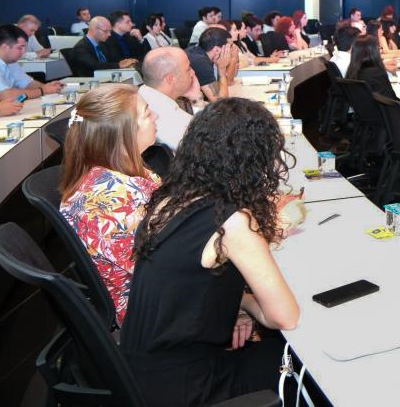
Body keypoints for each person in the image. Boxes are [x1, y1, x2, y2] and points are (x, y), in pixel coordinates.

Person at [122, 98, 300, 407]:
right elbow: (285, 316)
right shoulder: (231, 223)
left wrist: (237, 305)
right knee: (294, 358)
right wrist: (250, 304)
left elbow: (188, 289)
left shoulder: (168, 200)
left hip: (139, 374)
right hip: (187, 388)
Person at [57, 83, 160, 325]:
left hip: (160, 286)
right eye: (147, 113)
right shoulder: (108, 203)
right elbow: (164, 267)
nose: (156, 116)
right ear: (122, 133)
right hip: (149, 311)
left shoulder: (125, 171)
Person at [139, 47, 200, 151]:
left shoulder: (144, 96)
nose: (193, 73)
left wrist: (195, 98)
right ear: (171, 79)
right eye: (188, 69)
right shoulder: (161, 117)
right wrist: (197, 100)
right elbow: (207, 144)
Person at [0, 25, 65, 100]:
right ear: (5, 47)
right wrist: (42, 91)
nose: (23, 52)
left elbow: (26, 83)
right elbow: (4, 96)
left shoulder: (10, 60)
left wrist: (49, 87)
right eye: (20, 48)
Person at [68, 16, 140, 77]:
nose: (109, 34)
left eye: (110, 31)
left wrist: (124, 62)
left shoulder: (102, 44)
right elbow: (96, 66)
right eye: (106, 31)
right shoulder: (81, 48)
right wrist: (119, 65)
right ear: (94, 29)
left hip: (106, 78)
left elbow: (111, 61)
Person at [186, 26, 238, 101]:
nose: (232, 50)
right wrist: (221, 69)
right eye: (230, 47)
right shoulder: (201, 63)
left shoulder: (195, 51)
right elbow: (220, 101)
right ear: (216, 50)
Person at [346, 34, 397, 99]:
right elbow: (391, 99)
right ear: (374, 51)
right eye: (379, 48)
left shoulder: (351, 72)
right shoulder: (376, 73)